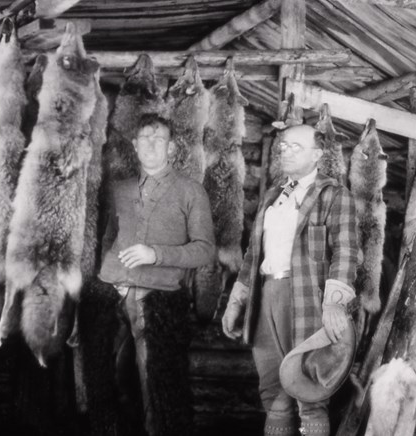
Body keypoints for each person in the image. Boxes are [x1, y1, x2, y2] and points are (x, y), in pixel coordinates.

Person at [222, 124, 359, 436]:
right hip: (267, 292)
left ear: (318, 154)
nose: (285, 151)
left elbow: (347, 250)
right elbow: (252, 256)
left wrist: (335, 303)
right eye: (283, 146)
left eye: (296, 147)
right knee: (274, 392)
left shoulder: (334, 195)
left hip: (307, 299)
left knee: (309, 391)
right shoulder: (273, 196)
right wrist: (237, 301)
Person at [97, 113, 215, 435]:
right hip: (112, 298)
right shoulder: (119, 189)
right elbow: (108, 238)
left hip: (156, 303)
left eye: (158, 138)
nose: (150, 144)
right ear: (134, 146)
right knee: (110, 383)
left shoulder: (191, 192)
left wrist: (156, 254)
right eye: (144, 139)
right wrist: (104, 279)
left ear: (171, 146)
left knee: (156, 390)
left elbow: (205, 249)